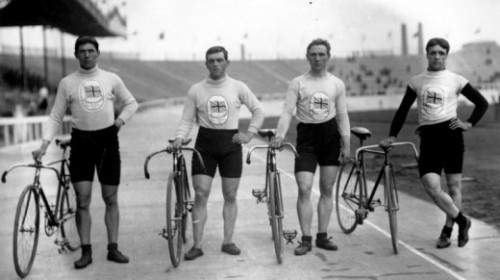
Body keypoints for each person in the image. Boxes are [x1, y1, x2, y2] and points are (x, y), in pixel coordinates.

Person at [32, 36, 138, 269]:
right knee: (82, 199)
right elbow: (56, 116)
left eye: (91, 51)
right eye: (82, 51)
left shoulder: (111, 79)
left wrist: (119, 122)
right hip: (81, 142)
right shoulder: (67, 83)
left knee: (110, 197)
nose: (87, 55)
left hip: (107, 141)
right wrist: (44, 144)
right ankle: (86, 251)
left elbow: (131, 103)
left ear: (98, 53)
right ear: (76, 55)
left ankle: (113, 248)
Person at [380, 38, 489, 249]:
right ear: (427, 55)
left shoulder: (456, 79)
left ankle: (447, 232)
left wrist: (468, 123)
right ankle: (462, 220)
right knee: (431, 185)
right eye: (433, 52)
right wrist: (393, 135)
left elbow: (482, 103)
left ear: (446, 55)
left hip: (451, 135)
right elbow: (402, 111)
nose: (437, 56)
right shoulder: (417, 81)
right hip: (429, 138)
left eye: (441, 52)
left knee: (454, 186)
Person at [171, 46, 265, 260]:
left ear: (227, 63)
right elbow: (187, 119)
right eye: (211, 60)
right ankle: (197, 245)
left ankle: (228, 241)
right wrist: (179, 137)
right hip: (205, 146)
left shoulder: (238, 87)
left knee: (230, 195)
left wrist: (250, 134)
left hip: (230, 146)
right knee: (201, 195)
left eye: (219, 60)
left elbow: (258, 110)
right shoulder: (196, 89)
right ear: (206, 64)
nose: (215, 64)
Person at [270, 39, 351, 256]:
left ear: (328, 56)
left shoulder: (337, 84)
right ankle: (305, 239)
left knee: (326, 188)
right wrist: (279, 136)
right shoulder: (298, 83)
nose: (317, 58)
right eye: (313, 54)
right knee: (304, 187)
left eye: (321, 54)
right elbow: (287, 111)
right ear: (308, 56)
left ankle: (322, 236)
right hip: (307, 139)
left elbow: (342, 115)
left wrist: (347, 145)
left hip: (330, 138)